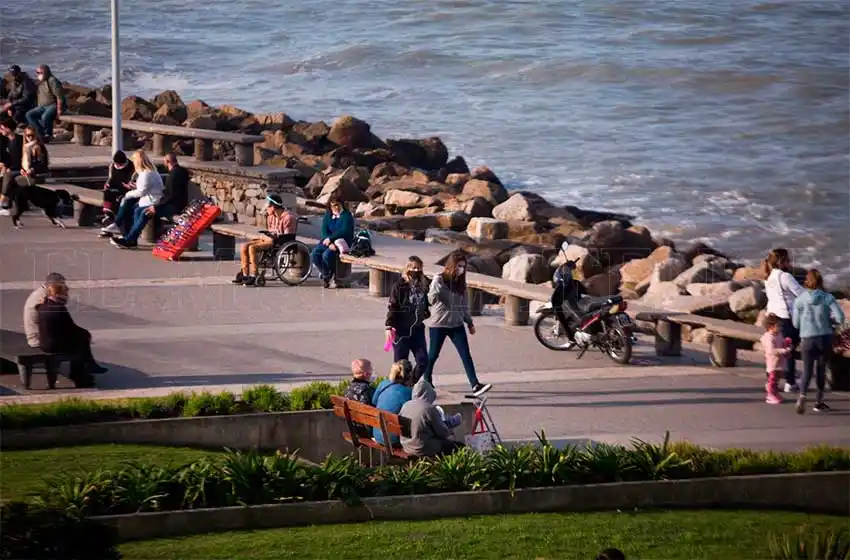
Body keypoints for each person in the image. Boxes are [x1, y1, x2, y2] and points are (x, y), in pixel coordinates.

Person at [424, 251, 492, 396]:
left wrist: (469, 322)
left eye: (463, 266)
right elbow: (430, 300)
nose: (461, 269)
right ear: (451, 265)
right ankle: (425, 380)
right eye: (459, 266)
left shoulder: (461, 284)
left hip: (456, 325)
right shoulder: (439, 280)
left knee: (466, 355)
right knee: (433, 355)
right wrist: (434, 289)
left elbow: (462, 306)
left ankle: (475, 385)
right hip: (439, 324)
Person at [793, 270, 845, 414]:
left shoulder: (799, 300)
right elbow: (840, 317)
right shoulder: (827, 297)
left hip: (807, 339)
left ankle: (802, 396)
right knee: (821, 370)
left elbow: (796, 324)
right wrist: (833, 324)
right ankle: (818, 402)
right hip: (824, 337)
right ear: (821, 282)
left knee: (807, 371)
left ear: (806, 282)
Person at [37, 281, 108, 388]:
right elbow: (70, 327)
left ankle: (89, 366)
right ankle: (80, 375)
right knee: (81, 344)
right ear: (58, 294)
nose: (67, 296)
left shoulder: (44, 305)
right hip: (54, 345)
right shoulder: (59, 309)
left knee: (81, 339)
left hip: (45, 342)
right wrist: (85, 333)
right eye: (65, 293)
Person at [232, 194, 298, 286]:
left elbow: (287, 235)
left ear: (273, 207)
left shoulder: (288, 217)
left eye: (268, 207)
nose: (266, 209)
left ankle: (254, 274)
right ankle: (245, 274)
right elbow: (270, 230)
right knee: (244, 246)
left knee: (252, 248)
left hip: (280, 241)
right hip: (269, 238)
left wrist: (273, 235)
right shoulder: (270, 217)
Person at [763, 248, 804, 393]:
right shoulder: (785, 277)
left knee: (775, 349)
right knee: (788, 349)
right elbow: (801, 294)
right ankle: (790, 381)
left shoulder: (768, 277)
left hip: (772, 317)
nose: (790, 262)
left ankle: (772, 379)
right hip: (786, 318)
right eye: (787, 260)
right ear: (781, 262)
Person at [105, 150, 164, 248]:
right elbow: (144, 188)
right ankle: (129, 237)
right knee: (134, 210)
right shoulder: (148, 172)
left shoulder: (147, 174)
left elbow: (141, 192)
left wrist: (128, 194)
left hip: (152, 201)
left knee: (136, 210)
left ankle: (127, 237)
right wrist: (134, 187)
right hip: (148, 199)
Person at [385, 256, 430, 380]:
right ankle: (399, 388)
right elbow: (393, 306)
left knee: (423, 361)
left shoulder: (424, 283)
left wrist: (426, 312)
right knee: (400, 366)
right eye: (413, 267)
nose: (416, 270)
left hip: (417, 329)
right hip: (401, 331)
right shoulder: (400, 286)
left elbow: (432, 296)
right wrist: (389, 325)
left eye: (419, 268)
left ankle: (412, 383)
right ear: (407, 268)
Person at [399, 377, 464, 457]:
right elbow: (443, 433)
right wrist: (449, 429)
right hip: (422, 448)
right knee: (458, 446)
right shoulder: (429, 408)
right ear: (428, 393)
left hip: (407, 446)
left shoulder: (406, 405)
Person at [10, 126, 51, 227]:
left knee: (14, 182)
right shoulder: (25, 147)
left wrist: (32, 170)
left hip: (39, 174)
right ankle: (18, 207)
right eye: (28, 136)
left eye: (32, 135)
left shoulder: (39, 147)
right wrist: (23, 170)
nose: (30, 138)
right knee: (14, 181)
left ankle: (14, 207)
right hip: (29, 175)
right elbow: (23, 164)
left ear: (35, 135)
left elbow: (42, 164)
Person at [311, 195, 354, 289]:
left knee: (326, 255)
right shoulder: (328, 215)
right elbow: (324, 230)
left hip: (342, 242)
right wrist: (329, 242)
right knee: (314, 254)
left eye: (338, 205)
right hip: (328, 241)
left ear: (342, 204)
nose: (336, 207)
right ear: (330, 206)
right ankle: (326, 274)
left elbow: (344, 231)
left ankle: (329, 275)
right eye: (334, 205)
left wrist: (331, 239)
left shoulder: (347, 216)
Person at [372, 359, 414, 446]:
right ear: (410, 374)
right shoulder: (408, 392)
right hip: (393, 439)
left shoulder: (383, 384)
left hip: (377, 434)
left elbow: (374, 402)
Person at [23, 272, 67, 348]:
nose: (64, 287)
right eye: (61, 285)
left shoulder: (42, 292)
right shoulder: (43, 298)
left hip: (36, 336)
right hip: (38, 339)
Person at [25, 65, 64, 142]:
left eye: (40, 72)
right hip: (42, 106)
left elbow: (59, 97)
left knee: (45, 116)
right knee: (29, 114)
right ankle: (40, 133)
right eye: (37, 72)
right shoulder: (40, 82)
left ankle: (48, 135)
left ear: (46, 72)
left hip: (52, 105)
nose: (38, 74)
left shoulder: (52, 81)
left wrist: (59, 110)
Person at [100, 151, 135, 228]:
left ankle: (117, 222)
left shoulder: (132, 166)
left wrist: (130, 185)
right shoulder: (112, 166)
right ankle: (108, 213)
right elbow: (110, 178)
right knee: (107, 192)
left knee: (120, 200)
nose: (118, 166)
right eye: (117, 164)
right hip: (114, 187)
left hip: (126, 188)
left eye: (120, 164)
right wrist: (107, 183)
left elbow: (134, 181)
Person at [761, 314, 790, 405]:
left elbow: (781, 343)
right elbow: (771, 350)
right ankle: (770, 394)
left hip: (780, 361)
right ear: (771, 327)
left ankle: (775, 392)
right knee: (773, 378)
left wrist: (786, 344)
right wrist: (783, 351)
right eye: (778, 326)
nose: (781, 328)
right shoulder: (769, 337)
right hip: (773, 362)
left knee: (777, 378)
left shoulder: (779, 335)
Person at [344, 358, 374, 438]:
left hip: (354, 428)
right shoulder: (367, 390)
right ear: (366, 374)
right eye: (371, 370)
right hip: (366, 431)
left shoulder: (348, 388)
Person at [0, 118, 24, 216]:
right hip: (10, 167)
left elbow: (19, 159)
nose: (0, 131)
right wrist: (3, 164)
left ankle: (3, 203)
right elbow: (5, 157)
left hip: (20, 168)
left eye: (2, 129)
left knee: (8, 175)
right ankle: (5, 203)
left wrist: (9, 167)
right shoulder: (5, 140)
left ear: (8, 129)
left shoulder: (19, 140)